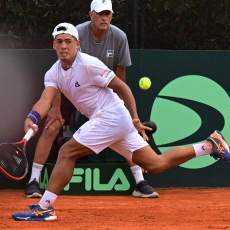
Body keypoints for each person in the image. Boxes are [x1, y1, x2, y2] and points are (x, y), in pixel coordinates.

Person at [12, 22, 230, 221]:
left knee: (67, 152)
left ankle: (44, 208)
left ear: (77, 44)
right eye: (59, 42)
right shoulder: (53, 72)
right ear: (53, 45)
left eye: (68, 41)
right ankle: (209, 145)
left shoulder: (89, 64)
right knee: (155, 164)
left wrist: (135, 119)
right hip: (112, 122)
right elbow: (45, 100)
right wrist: (32, 118)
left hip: (112, 116)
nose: (63, 46)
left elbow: (122, 87)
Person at [25, 0, 158, 199]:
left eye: (108, 13)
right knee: (52, 125)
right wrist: (53, 108)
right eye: (100, 13)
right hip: (69, 89)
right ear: (91, 15)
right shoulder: (74, 33)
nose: (104, 17)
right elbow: (60, 74)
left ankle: (139, 181)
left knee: (124, 129)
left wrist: (126, 111)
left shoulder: (119, 37)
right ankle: (34, 181)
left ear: (111, 15)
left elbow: (119, 78)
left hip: (101, 92)